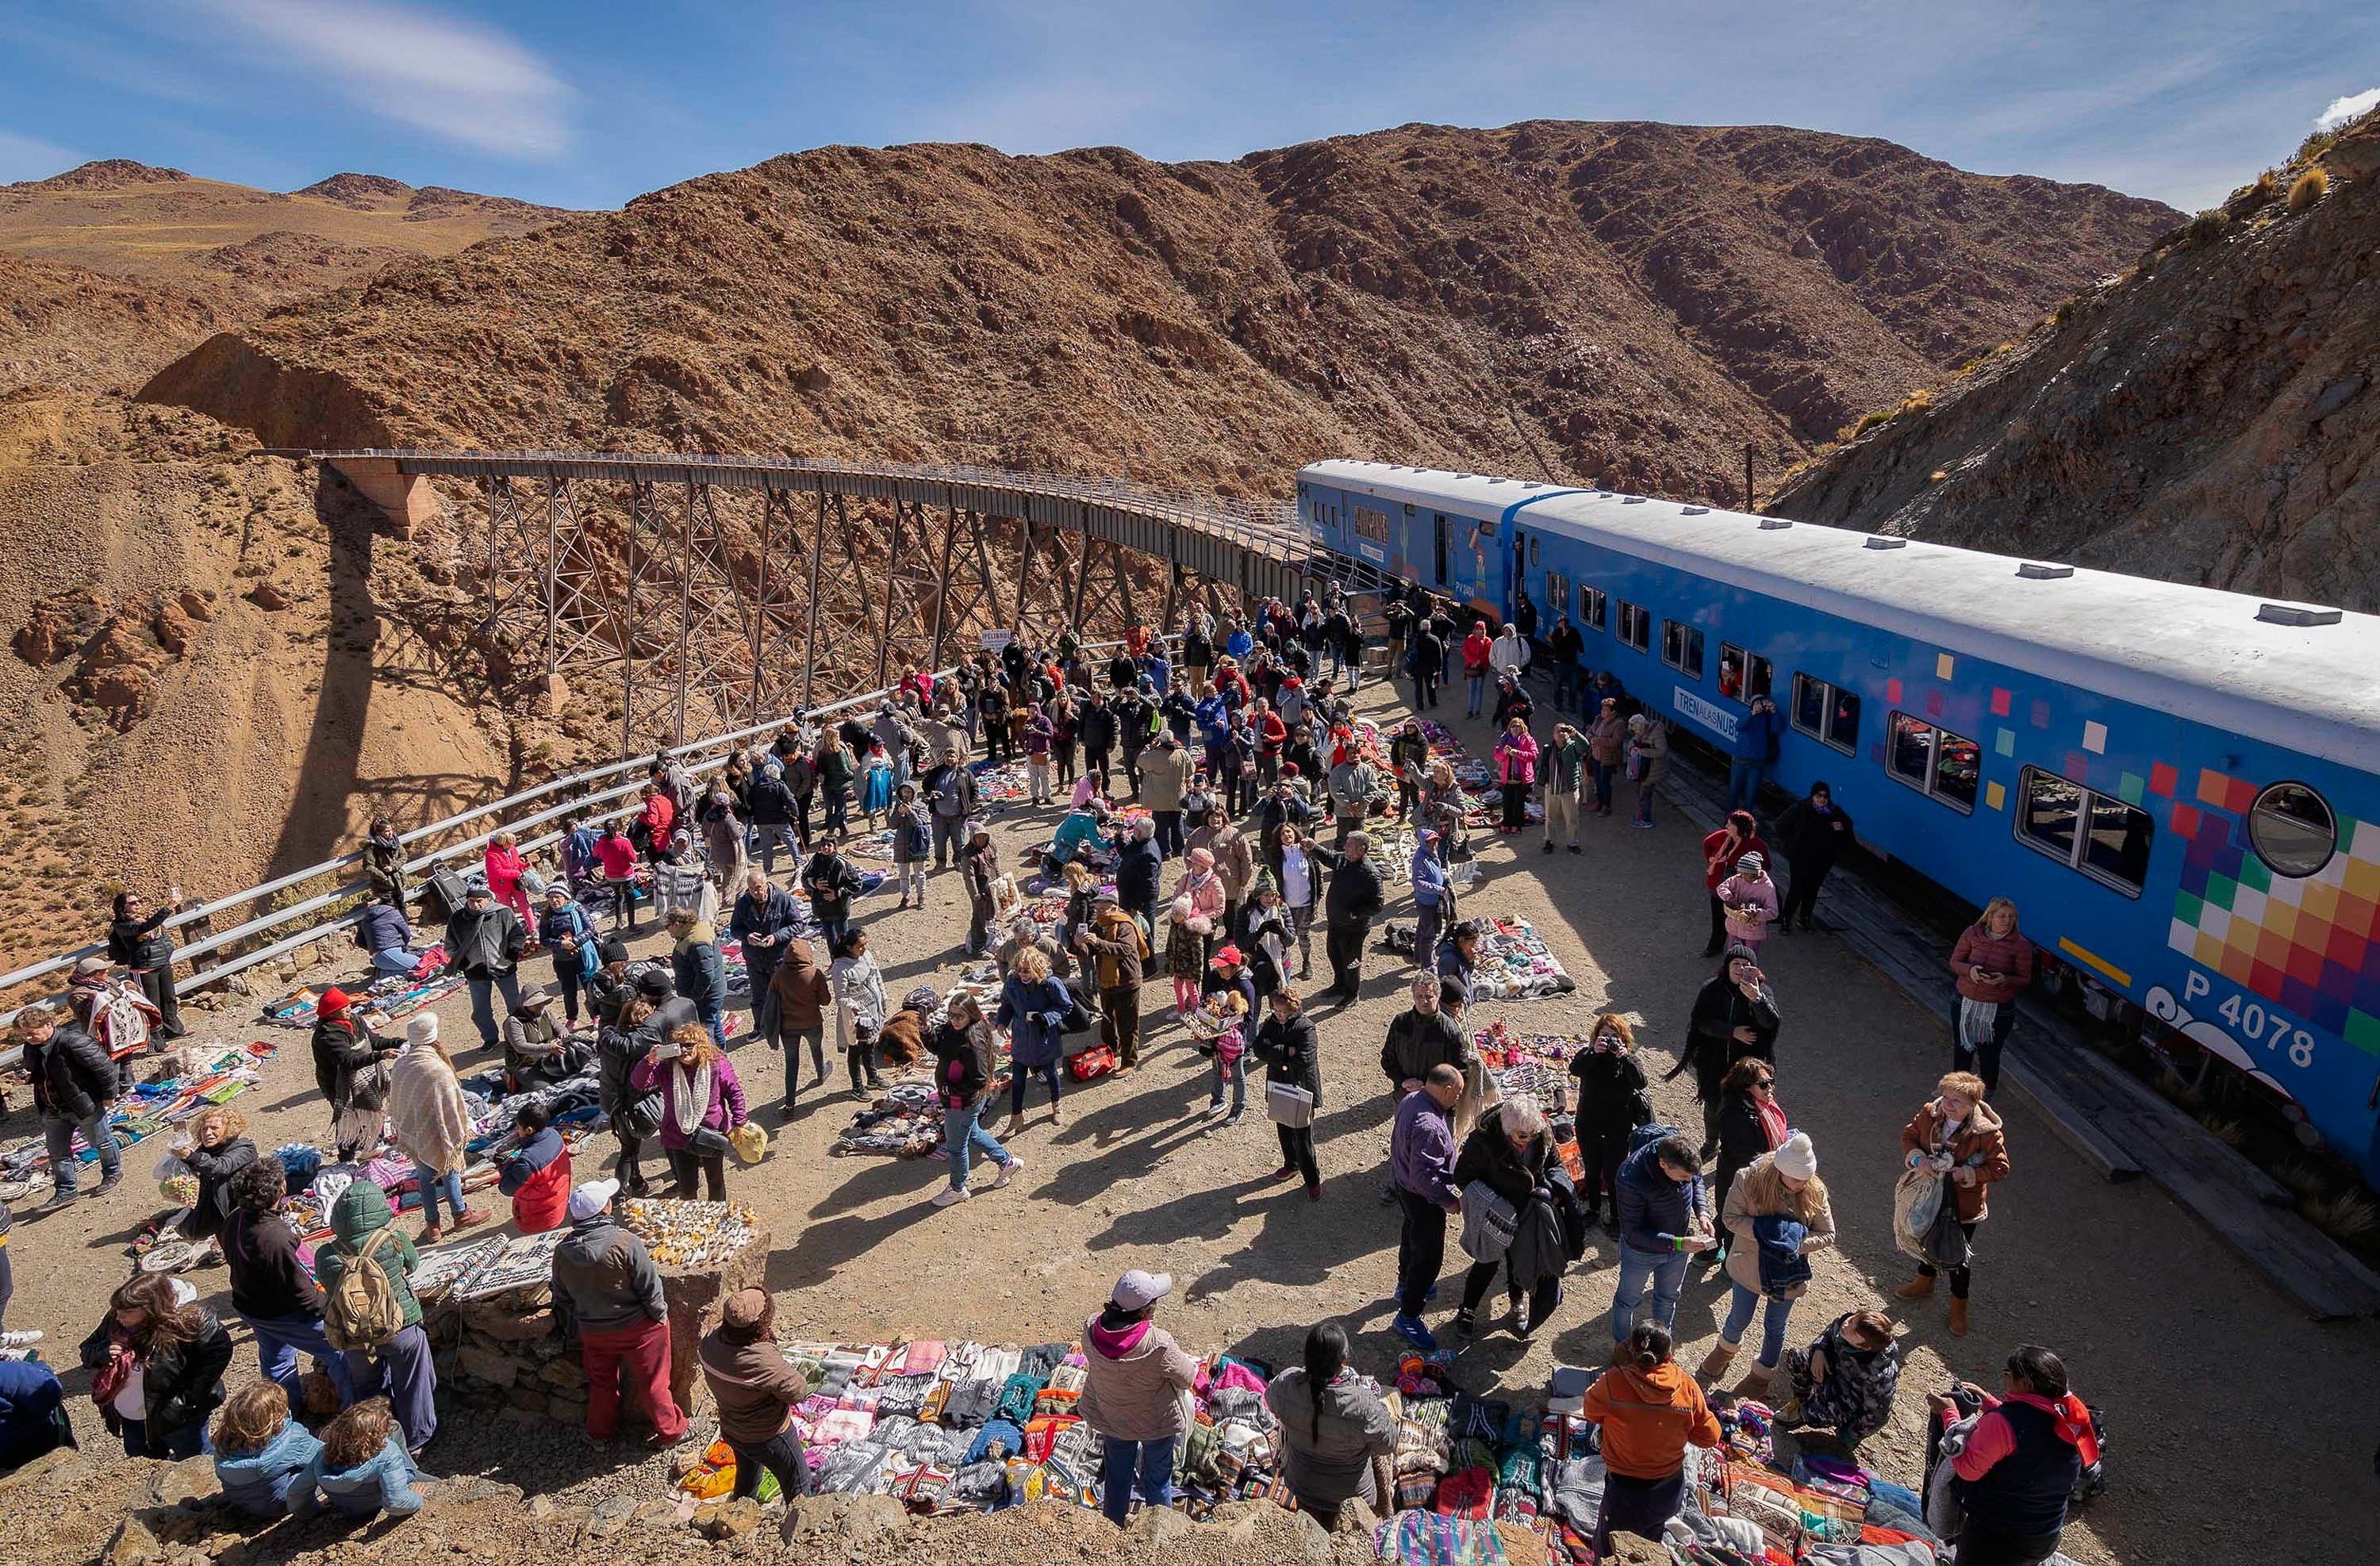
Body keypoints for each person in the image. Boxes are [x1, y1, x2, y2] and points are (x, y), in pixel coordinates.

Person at [1698, 1132, 1836, 1399]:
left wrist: (1793, 1244)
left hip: (1787, 1273)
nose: (1800, 1184)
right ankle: (1724, 1351)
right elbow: (1730, 1218)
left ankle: (1762, 1375)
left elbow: (1828, 1234)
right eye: (1796, 1179)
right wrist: (1769, 1235)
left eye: (1805, 1179)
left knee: (1775, 1326)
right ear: (1780, 1169)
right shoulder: (1748, 1179)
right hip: (1750, 1265)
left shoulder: (1813, 1190)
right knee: (1739, 1316)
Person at [553, 1177, 688, 1448]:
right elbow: (649, 1286)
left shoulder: (563, 1252)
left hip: (594, 1332)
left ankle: (598, 1434)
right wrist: (659, 1315)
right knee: (653, 1383)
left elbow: (562, 1296)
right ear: (604, 1209)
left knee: (601, 1383)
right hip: (638, 1328)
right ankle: (671, 1431)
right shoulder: (625, 1242)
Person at [1939, 1345, 2098, 1566]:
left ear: (2026, 1384)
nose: (2005, 1379)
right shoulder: (2067, 1416)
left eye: (2008, 1374)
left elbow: (1967, 1469)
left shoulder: (2003, 1423)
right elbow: (2029, 1433)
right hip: (2045, 1533)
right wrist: (1989, 1402)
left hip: (1999, 1539)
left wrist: (1950, 1416)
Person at [222, 1156, 355, 1409]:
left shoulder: (236, 1218)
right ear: (280, 1190)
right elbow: (300, 1294)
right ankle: (352, 1410)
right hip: (282, 1312)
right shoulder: (274, 1237)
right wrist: (330, 1307)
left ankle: (286, 1411)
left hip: (250, 1305)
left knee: (276, 1360)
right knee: (339, 1352)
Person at [1581, 1322, 1722, 1558]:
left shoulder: (1613, 1383)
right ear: (1669, 1355)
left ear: (1631, 1350)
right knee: (1650, 1544)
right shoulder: (1686, 1387)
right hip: (1667, 1494)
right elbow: (1710, 1436)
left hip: (1624, 1494)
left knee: (1610, 1551)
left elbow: (1590, 1412)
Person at [1077, 1269, 1200, 1529]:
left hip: (1113, 1417)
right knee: (1158, 1479)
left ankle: (1111, 1527)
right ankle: (1158, 1533)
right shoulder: (1158, 1344)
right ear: (1144, 1311)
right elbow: (1187, 1378)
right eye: (1154, 1303)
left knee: (1117, 1478)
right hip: (1156, 1423)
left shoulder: (1090, 1329)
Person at [1897, 1071, 2010, 1337]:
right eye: (1946, 1097)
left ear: (1973, 1105)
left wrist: (1968, 1174)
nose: (1947, 1104)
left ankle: (1959, 1305)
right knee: (1926, 1237)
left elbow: (2000, 1168)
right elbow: (1909, 1137)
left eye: (1956, 1101)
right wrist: (1917, 1160)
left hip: (1963, 1206)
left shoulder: (1987, 1135)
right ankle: (1924, 1281)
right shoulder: (1930, 1114)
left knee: (1957, 1255)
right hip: (1928, 1195)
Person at [79, 1273, 232, 1459]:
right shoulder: (117, 1318)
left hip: (178, 1419)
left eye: (126, 1313)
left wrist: (183, 1401)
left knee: (195, 1459)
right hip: (132, 1418)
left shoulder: (188, 1325)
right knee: (143, 1461)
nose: (118, 1317)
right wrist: (104, 1352)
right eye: (117, 1311)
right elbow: (87, 1350)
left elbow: (218, 1354)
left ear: (150, 1309)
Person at [1265, 1321, 1397, 1529]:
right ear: (1344, 1360)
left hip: (1302, 1485)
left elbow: (1270, 1400)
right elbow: (1388, 1444)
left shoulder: (1286, 1384)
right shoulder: (1362, 1404)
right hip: (1353, 1497)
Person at [1451, 1095, 1562, 1338]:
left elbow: (1555, 1165)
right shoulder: (1483, 1142)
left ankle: (1517, 1302)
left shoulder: (1541, 1135)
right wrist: (1493, 1203)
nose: (1527, 1141)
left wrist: (1552, 1189)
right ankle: (1467, 1310)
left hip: (1526, 1211)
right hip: (1494, 1215)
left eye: (1531, 1135)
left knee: (1519, 1260)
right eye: (1522, 1137)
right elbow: (1462, 1177)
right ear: (1506, 1130)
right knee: (1487, 1262)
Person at [698, 1288, 812, 1502]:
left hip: (732, 1429)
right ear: (760, 1326)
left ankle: (740, 1507)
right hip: (769, 1436)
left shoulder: (710, 1342)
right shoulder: (762, 1360)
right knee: (798, 1481)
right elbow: (798, 1391)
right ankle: (797, 1524)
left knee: (747, 1472)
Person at [389, 1014, 489, 1242]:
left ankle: (432, 1225)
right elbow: (454, 1104)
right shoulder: (438, 1069)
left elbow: (397, 1101)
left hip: (414, 1131)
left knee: (425, 1176)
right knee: (450, 1168)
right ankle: (460, 1213)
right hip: (439, 1129)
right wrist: (458, 1129)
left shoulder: (401, 1065)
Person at [1672, 946, 1781, 1153]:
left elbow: (1771, 1023)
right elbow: (1701, 1022)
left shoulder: (1763, 992)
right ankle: (1711, 1143)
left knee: (1745, 1110)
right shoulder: (1711, 989)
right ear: (1727, 967)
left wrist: (1757, 1000)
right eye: (1736, 964)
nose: (1741, 969)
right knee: (1713, 1106)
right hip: (1715, 1062)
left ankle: (1733, 1149)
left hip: (1747, 1068)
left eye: (1747, 965)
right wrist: (1732, 1032)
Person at [1610, 1134, 1712, 1349]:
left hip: (1678, 1245)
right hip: (1641, 1253)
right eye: (1684, 1177)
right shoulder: (1631, 1178)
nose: (1688, 1181)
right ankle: (1623, 1349)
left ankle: (1660, 1347)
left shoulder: (1682, 1155)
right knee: (1627, 1301)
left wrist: (1702, 1211)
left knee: (1667, 1298)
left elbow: (1696, 1178)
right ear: (1663, 1164)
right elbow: (1633, 1232)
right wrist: (1678, 1243)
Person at [13, 1002, 119, 1209]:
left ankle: (112, 1173)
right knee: (58, 1153)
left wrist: (109, 1096)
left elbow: (104, 1068)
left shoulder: (73, 1042)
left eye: (32, 1033)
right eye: (24, 1035)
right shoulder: (31, 1048)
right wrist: (28, 1077)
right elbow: (40, 1072)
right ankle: (66, 1190)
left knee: (101, 1142)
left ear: (49, 1024)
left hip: (83, 1104)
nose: (28, 1038)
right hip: (52, 1108)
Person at [1390, 1065, 1465, 1350]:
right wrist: (1448, 1201)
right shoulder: (1431, 1126)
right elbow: (1426, 1177)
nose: (1458, 1099)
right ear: (1445, 1090)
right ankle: (1409, 1315)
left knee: (1410, 1235)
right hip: (1422, 1196)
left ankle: (1404, 1284)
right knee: (1428, 1257)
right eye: (1457, 1094)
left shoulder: (1412, 1098)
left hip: (1404, 1185)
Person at [633, 1023, 747, 1200]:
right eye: (680, 1047)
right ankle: (693, 1222)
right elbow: (639, 1082)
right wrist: (649, 1060)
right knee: (687, 1187)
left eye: (690, 1045)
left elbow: (733, 1091)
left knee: (716, 1182)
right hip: (679, 1134)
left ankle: (716, 1219)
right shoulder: (666, 1067)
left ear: (700, 1045)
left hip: (712, 1130)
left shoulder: (717, 1064)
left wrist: (739, 1121)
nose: (685, 1051)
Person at [927, 993, 1021, 1207]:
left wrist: (949, 1088)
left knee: (956, 1147)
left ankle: (957, 1188)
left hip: (962, 1102)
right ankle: (1007, 1162)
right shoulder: (954, 1030)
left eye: (959, 1016)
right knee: (973, 1132)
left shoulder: (973, 1041)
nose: (954, 1020)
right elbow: (939, 1048)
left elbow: (978, 1079)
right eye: (951, 1015)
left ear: (970, 1015)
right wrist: (926, 1032)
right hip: (958, 1101)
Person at [1568, 1013, 1652, 1229]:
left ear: (1623, 1039)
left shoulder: (1629, 1060)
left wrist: (1624, 1058)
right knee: (1592, 1171)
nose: (1610, 1040)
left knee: (1615, 1175)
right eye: (1605, 1035)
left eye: (1615, 1036)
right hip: (1588, 1125)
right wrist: (1593, 1052)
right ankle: (1594, 1209)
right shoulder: (1589, 1055)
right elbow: (1574, 1069)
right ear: (1596, 1037)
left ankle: (1616, 1217)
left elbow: (1641, 1083)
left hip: (1617, 1128)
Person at [1777, 1310, 1900, 1449]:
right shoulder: (1845, 1326)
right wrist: (1819, 1350)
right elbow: (1829, 1334)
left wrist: (1850, 1434)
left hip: (1845, 1400)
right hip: (1830, 1374)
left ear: (1864, 1346)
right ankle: (1802, 1401)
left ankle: (1805, 1414)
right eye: (1853, 1320)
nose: (1847, 1325)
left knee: (1822, 1412)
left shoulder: (1878, 1376)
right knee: (1798, 1357)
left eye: (1854, 1331)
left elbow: (1878, 1415)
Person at [287, 1398, 424, 1521]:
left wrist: (314, 1509)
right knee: (396, 1428)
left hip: (351, 1510)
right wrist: (416, 1498)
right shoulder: (387, 1455)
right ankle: (415, 1473)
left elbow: (295, 1495)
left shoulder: (321, 1458)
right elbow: (397, 1503)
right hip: (377, 1503)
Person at [1950, 898, 2034, 1096]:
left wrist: (2004, 979)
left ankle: (1985, 1096)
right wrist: (1969, 970)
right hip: (1965, 1002)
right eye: (2002, 916)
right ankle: (1956, 1092)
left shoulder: (2021, 945)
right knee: (1963, 1049)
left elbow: (2025, 979)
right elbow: (1955, 962)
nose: (2007, 920)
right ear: (1990, 916)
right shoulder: (1972, 933)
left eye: (2011, 917)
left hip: (1997, 1009)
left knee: (1989, 1054)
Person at [1710, 1057, 1788, 1263]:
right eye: (1763, 1084)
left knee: (1725, 1215)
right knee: (1735, 1218)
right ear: (1745, 1087)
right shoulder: (1735, 1115)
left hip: (1755, 1173)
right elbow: (1747, 1157)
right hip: (1740, 1177)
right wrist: (1778, 1161)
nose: (1770, 1087)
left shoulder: (1761, 1106)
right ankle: (1730, 1264)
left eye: (1771, 1081)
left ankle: (1706, 1251)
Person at [211, 1381, 323, 1518]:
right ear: (275, 1417)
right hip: (280, 1503)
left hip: (244, 1502)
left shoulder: (223, 1444)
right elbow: (323, 1455)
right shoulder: (292, 1437)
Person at [310, 988, 396, 1163]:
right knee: (349, 1120)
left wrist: (398, 1042)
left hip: (364, 1079)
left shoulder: (355, 1020)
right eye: (344, 1007)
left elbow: (373, 1040)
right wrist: (380, 1055)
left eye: (348, 1005)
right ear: (333, 1012)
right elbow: (349, 1060)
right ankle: (346, 1158)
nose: (349, 1009)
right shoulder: (326, 1037)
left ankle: (369, 1147)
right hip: (338, 1086)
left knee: (370, 1111)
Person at [1254, 985, 1323, 1199]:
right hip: (1279, 1084)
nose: (1278, 1015)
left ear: (1293, 1010)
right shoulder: (1271, 1023)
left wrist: (1274, 1051)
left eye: (1282, 1011)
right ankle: (1291, 1165)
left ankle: (1312, 1180)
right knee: (1283, 1128)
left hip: (1301, 1087)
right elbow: (1258, 1048)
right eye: (1276, 1010)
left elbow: (1304, 1060)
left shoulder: (1306, 1028)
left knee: (1303, 1138)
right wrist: (1286, 1052)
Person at [996, 946, 1071, 1135]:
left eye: (1027, 971)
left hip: (1043, 1037)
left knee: (1052, 1073)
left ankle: (1056, 1105)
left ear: (1037, 968)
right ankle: (1016, 1117)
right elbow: (1006, 1004)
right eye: (1020, 970)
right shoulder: (1012, 982)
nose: (1023, 974)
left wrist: (1046, 1017)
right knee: (1019, 1079)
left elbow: (1065, 1006)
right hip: (1021, 1037)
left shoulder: (1050, 983)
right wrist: (1002, 1023)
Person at [444, 877, 527, 1050]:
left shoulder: (503, 913)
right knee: (481, 1011)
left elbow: (517, 936)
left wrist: (512, 953)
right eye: (471, 901)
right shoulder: (457, 919)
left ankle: (520, 1036)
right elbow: (451, 946)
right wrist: (463, 962)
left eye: (479, 901)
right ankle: (490, 1038)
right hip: (475, 971)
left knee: (515, 1006)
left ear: (488, 899)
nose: (475, 905)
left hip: (504, 968)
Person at [1075, 897, 1150, 1071]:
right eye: (1097, 910)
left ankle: (1129, 1061)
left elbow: (1124, 949)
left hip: (1127, 981)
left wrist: (1097, 942)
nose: (1099, 913)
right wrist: (1080, 945)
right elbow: (1089, 952)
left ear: (1114, 908)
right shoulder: (1098, 926)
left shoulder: (1125, 925)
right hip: (1106, 981)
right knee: (1107, 1021)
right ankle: (1111, 1051)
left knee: (1127, 1024)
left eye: (1103, 909)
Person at [108, 888, 188, 1039]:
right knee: (151, 1005)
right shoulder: (122, 926)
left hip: (162, 963)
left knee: (169, 999)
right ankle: (156, 1042)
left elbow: (152, 927)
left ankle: (173, 1030)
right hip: (144, 969)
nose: (138, 905)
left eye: (139, 901)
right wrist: (169, 907)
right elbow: (146, 928)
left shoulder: (143, 919)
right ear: (122, 908)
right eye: (133, 903)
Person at [1774, 781, 1855, 933]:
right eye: (1819, 796)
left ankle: (1805, 919)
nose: (1822, 799)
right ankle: (1786, 919)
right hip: (1800, 857)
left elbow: (1848, 823)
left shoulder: (1834, 812)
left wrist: (1842, 827)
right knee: (1796, 889)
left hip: (1822, 860)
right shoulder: (1800, 808)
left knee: (1812, 890)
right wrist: (1790, 843)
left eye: (1825, 796)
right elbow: (1780, 824)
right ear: (1813, 796)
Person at [764, 935, 832, 1113]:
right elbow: (826, 1001)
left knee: (791, 1062)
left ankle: (789, 1103)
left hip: (788, 1028)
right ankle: (820, 1074)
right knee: (816, 1048)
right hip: (813, 1023)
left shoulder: (780, 975)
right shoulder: (815, 973)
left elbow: (771, 998)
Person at [1318, 831, 1384, 1002]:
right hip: (1335, 922)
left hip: (1354, 928)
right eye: (1346, 844)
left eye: (1349, 846)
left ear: (1362, 850)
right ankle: (1339, 984)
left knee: (1351, 962)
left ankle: (1351, 994)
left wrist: (1355, 914)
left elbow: (1377, 904)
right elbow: (1329, 856)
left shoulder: (1370, 874)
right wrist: (1313, 847)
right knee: (1334, 954)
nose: (1344, 848)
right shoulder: (1343, 860)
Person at [728, 869, 800, 1019]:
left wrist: (777, 936)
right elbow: (734, 929)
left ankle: (784, 1023)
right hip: (754, 959)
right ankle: (760, 1026)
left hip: (778, 958)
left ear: (766, 885)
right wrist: (746, 936)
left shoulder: (782, 898)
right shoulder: (743, 903)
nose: (756, 892)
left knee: (782, 993)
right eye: (752, 889)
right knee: (758, 997)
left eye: (758, 888)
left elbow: (797, 924)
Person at [1700, 810, 1770, 958]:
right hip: (1719, 885)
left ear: (1740, 827)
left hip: (1742, 890)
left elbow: (1766, 865)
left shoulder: (1755, 845)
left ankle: (1740, 952)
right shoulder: (1722, 837)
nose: (1727, 826)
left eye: (1730, 824)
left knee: (1740, 921)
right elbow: (1707, 843)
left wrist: (1752, 877)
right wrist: (1712, 859)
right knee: (1718, 917)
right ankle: (1716, 946)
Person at [828, 927, 889, 1096]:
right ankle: (857, 1087)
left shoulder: (867, 956)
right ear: (849, 947)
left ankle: (873, 1078)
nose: (864, 949)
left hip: (873, 1011)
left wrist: (883, 998)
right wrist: (854, 1007)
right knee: (856, 1051)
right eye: (860, 947)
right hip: (856, 1019)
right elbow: (840, 997)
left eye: (865, 945)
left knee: (870, 1045)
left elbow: (877, 977)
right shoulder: (840, 968)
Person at [496, 1100, 573, 1234]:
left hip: (537, 1220)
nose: (516, 1130)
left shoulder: (526, 1162)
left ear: (529, 1130)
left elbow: (506, 1188)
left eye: (519, 1127)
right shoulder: (554, 1135)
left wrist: (509, 1164)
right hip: (558, 1207)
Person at [666, 907, 729, 1049]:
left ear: (676, 924)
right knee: (714, 1024)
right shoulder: (695, 930)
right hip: (711, 993)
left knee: (706, 1033)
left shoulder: (697, 940)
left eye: (667, 927)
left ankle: (714, 1065)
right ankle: (722, 1056)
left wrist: (695, 995)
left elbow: (706, 974)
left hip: (707, 996)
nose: (667, 931)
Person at [539, 882, 600, 1026]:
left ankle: (596, 1015)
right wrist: (561, 944)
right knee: (568, 991)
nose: (554, 901)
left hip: (582, 957)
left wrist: (575, 941)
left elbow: (590, 929)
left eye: (558, 897)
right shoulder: (547, 916)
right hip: (562, 960)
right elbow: (544, 939)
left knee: (589, 987)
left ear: (565, 897)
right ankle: (572, 1018)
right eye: (551, 898)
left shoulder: (578, 909)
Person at [501, 985, 574, 1092]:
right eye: (536, 1004)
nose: (541, 1006)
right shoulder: (513, 1022)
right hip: (524, 1065)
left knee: (569, 1079)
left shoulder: (545, 1013)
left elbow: (560, 1028)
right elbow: (520, 1046)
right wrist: (548, 1048)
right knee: (545, 1089)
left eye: (542, 1002)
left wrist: (563, 1034)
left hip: (546, 1059)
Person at [1726, 694, 1786, 814]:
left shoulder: (1768, 718)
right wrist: (1753, 713)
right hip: (1740, 760)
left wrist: (1774, 712)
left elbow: (1778, 728)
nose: (1760, 706)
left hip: (1757, 763)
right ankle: (1729, 818)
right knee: (1734, 791)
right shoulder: (1747, 715)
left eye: (1763, 703)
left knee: (1751, 795)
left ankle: (1747, 821)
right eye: (1757, 703)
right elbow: (1739, 725)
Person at [800, 839, 862, 954]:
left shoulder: (842, 863)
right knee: (830, 940)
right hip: (822, 909)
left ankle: (846, 963)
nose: (826, 848)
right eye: (823, 845)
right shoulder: (815, 860)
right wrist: (815, 884)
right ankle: (834, 963)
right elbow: (804, 878)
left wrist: (838, 893)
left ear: (835, 847)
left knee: (843, 940)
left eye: (829, 845)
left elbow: (857, 883)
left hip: (839, 909)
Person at [1715, 851, 1781, 955]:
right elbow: (1721, 887)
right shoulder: (1739, 878)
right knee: (1732, 955)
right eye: (1740, 872)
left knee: (1749, 957)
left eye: (1745, 874)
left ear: (1755, 873)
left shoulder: (1768, 888)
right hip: (1734, 926)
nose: (1741, 876)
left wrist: (1756, 913)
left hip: (1753, 931)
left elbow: (1773, 912)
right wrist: (1730, 898)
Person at [1141, 735, 1191, 857]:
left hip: (1159, 797)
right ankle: (1179, 849)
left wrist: (1149, 748)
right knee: (1177, 822)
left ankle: (1165, 851)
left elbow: (1140, 761)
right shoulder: (1182, 753)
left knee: (1162, 825)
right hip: (1177, 795)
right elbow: (1191, 770)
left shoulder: (1154, 755)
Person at [355, 896, 424, 977]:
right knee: (423, 965)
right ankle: (384, 973)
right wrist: (403, 947)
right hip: (391, 954)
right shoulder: (393, 913)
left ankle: (385, 971)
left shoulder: (366, 919)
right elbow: (406, 934)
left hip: (376, 959)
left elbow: (359, 941)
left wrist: (375, 947)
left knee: (409, 969)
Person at [958, 824, 1000, 958]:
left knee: (992, 913)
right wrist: (975, 895)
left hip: (992, 888)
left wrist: (1001, 879)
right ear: (972, 838)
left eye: (984, 836)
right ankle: (978, 949)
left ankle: (989, 936)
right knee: (979, 918)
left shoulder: (990, 846)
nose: (981, 840)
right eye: (978, 837)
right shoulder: (968, 855)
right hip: (980, 892)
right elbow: (969, 877)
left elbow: (996, 863)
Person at [888, 781, 932, 907]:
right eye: (904, 792)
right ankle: (905, 896)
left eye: (908, 791)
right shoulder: (898, 806)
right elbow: (891, 825)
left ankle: (921, 896)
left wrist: (911, 812)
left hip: (917, 844)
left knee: (919, 873)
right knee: (903, 874)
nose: (906, 794)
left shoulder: (921, 806)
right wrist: (899, 814)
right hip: (901, 845)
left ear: (913, 792)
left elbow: (921, 824)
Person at [593, 821, 643, 932]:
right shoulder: (624, 841)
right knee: (630, 899)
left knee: (618, 896)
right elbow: (633, 859)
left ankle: (619, 922)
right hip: (626, 875)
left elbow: (596, 854)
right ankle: (631, 925)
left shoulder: (601, 841)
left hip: (611, 876)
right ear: (618, 828)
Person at [483, 830, 535, 930]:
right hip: (501, 887)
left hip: (516, 884)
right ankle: (513, 932)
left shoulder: (512, 849)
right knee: (508, 910)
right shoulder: (491, 855)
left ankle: (533, 929)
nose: (512, 845)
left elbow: (516, 862)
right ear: (502, 843)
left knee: (525, 906)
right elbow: (498, 872)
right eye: (509, 843)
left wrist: (523, 866)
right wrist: (516, 873)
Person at [1626, 712, 1670, 828]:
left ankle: (1646, 820)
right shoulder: (1641, 731)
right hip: (1644, 770)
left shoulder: (1657, 732)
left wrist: (1643, 752)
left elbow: (1662, 751)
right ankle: (1642, 816)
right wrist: (1632, 749)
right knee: (1642, 793)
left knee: (1645, 795)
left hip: (1652, 771)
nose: (1637, 734)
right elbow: (1632, 742)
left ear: (1642, 727)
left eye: (1637, 731)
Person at [363, 818, 409, 909]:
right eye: (387, 831)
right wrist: (384, 878)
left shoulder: (395, 842)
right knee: (389, 911)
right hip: (384, 887)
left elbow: (403, 856)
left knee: (402, 909)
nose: (390, 833)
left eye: (391, 830)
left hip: (399, 883)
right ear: (379, 833)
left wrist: (394, 867)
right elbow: (368, 866)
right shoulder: (372, 846)